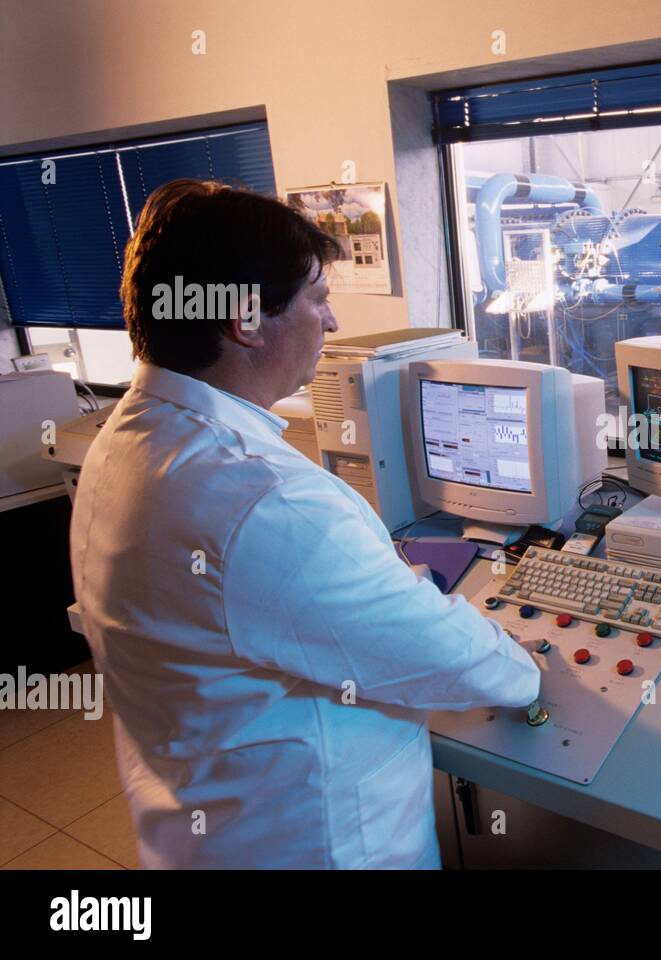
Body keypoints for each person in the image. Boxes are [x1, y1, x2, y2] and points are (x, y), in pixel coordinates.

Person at [70, 179, 539, 868]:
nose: (334, 323)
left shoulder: (124, 443)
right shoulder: (266, 501)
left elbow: (259, 605)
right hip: (321, 846)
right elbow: (466, 663)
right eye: (318, 299)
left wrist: (364, 585)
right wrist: (524, 662)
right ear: (245, 322)